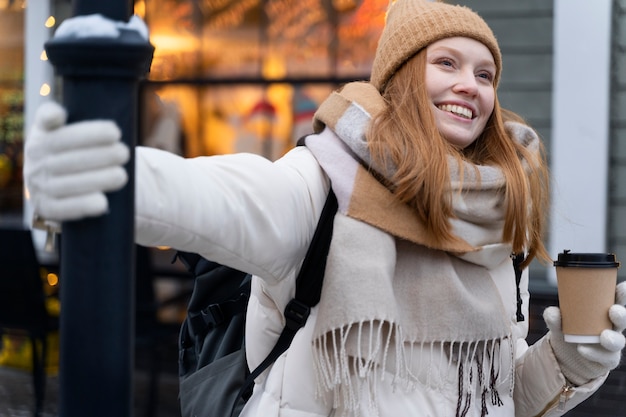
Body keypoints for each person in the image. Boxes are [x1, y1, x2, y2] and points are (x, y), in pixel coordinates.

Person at [23, 1, 626, 416]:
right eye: (446, 63)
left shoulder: (502, 219)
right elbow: (229, 200)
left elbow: (501, 398)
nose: (472, 84)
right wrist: (121, 176)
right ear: (401, 78)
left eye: (485, 73)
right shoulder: (327, 180)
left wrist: (570, 360)